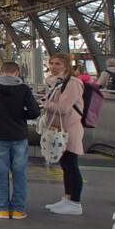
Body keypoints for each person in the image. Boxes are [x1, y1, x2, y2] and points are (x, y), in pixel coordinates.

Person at [0, 60, 39, 220]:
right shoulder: (23, 89)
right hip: (19, 135)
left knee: (0, 172)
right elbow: (35, 112)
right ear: (17, 72)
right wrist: (21, 114)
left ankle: (1, 208)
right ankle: (18, 209)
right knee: (19, 172)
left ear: (1, 72)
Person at [41, 52, 86, 216]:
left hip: (70, 129)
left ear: (66, 66)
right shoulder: (58, 83)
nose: (53, 67)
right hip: (61, 129)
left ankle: (75, 202)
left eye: (57, 64)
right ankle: (67, 198)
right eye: (51, 63)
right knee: (66, 165)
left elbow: (63, 108)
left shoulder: (72, 83)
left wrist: (45, 104)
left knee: (71, 165)